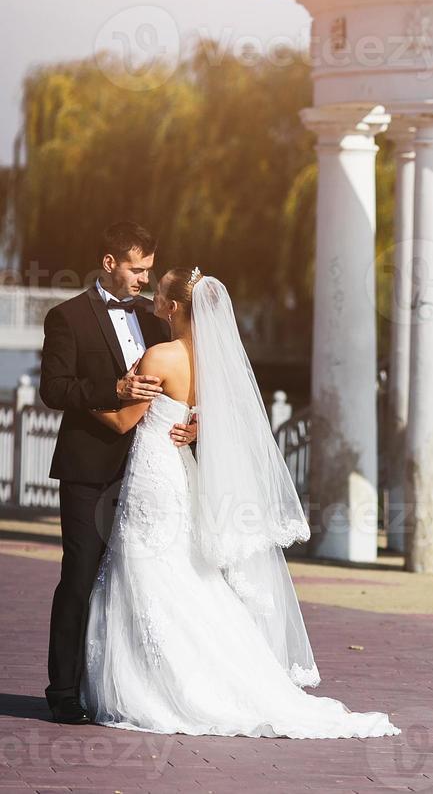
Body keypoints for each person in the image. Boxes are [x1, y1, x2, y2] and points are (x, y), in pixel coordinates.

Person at [81, 266, 397, 738]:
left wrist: (82, 398)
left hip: (152, 472)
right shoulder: (213, 359)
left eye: (159, 294)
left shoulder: (159, 356)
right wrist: (198, 425)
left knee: (148, 569)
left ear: (170, 307)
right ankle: (214, 674)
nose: (152, 299)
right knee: (184, 571)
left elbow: (123, 422)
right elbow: (222, 416)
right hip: (179, 468)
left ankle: (155, 683)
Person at [40, 222, 197, 726]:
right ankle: (64, 689)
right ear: (110, 263)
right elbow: (56, 389)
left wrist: (197, 426)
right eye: (137, 269)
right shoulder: (66, 318)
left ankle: (124, 687)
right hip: (90, 470)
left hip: (152, 473)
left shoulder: (158, 322)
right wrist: (115, 390)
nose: (144, 280)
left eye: (150, 271)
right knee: (81, 576)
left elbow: (190, 386)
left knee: (138, 581)